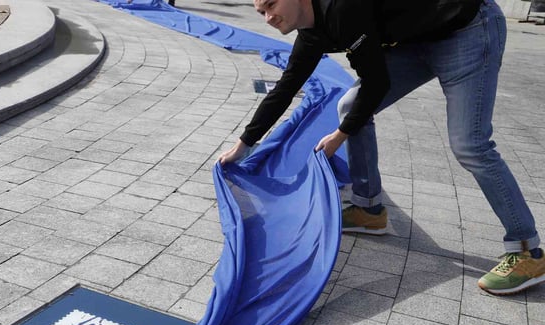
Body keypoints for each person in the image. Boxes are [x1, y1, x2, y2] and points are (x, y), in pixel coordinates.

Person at [218, 0, 545, 295]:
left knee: (470, 145)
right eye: (261, 11)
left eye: (272, 5)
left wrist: (340, 136)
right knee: (350, 107)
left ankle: (528, 251)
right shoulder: (311, 31)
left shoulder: (343, 8)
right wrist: (243, 145)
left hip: (467, 30)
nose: (268, 17)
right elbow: (286, 87)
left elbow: (377, 83)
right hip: (417, 41)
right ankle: (368, 209)